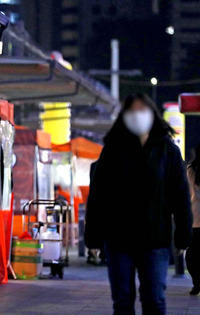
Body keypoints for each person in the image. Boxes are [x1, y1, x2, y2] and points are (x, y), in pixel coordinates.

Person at [85, 93, 192, 315]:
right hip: (118, 239)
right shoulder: (113, 151)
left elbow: (180, 196)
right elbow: (98, 195)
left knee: (154, 300)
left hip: (155, 240)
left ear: (152, 114)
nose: (137, 115)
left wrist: (183, 232)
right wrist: (93, 236)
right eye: (131, 111)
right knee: (122, 302)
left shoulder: (168, 152)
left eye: (141, 110)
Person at [187, 145, 200, 295]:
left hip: (196, 215)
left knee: (193, 252)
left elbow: (189, 191)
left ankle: (197, 281)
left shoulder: (191, 169)